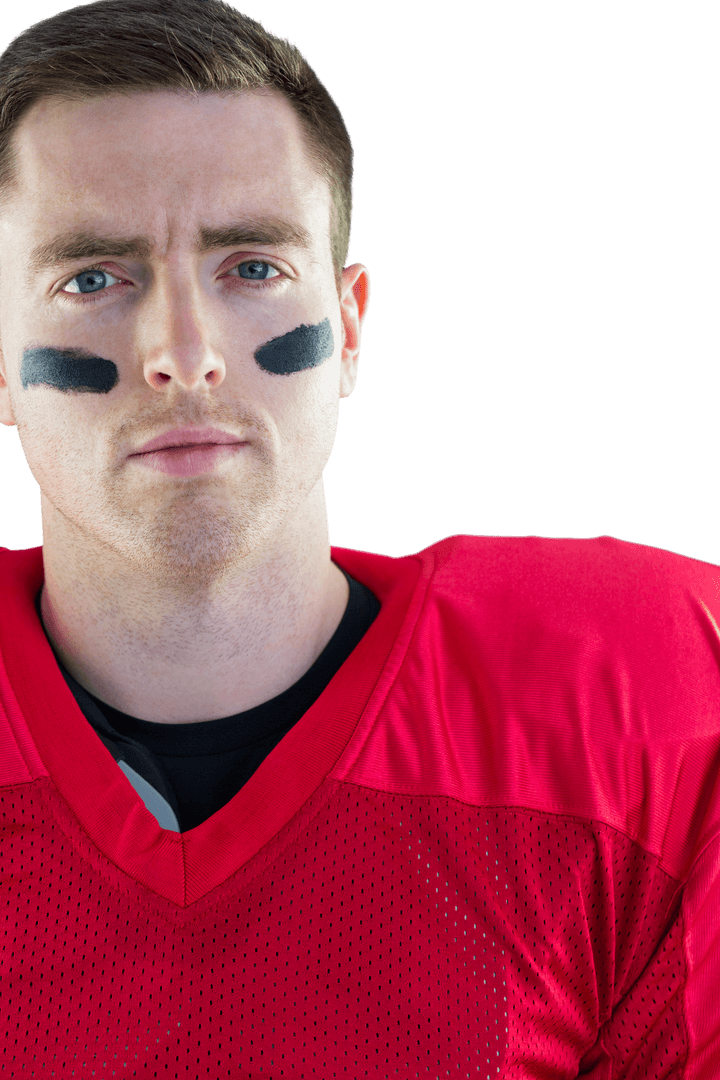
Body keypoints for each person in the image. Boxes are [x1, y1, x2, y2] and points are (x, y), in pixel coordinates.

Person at [0, 1, 718, 1075]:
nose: (184, 353)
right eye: (93, 279)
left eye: (251, 267)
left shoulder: (639, 701)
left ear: (349, 329)